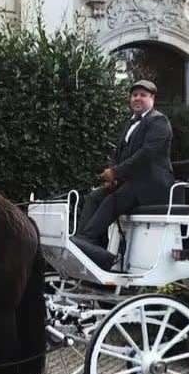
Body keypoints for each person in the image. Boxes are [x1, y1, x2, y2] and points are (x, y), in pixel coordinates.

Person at [72, 79, 173, 269]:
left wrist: (116, 172)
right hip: (131, 184)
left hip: (152, 186)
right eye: (134, 95)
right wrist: (112, 176)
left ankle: (87, 241)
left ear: (152, 99)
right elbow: (118, 154)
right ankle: (87, 243)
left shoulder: (159, 121)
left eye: (143, 95)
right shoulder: (130, 123)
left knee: (113, 201)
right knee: (94, 197)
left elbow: (146, 155)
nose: (137, 98)